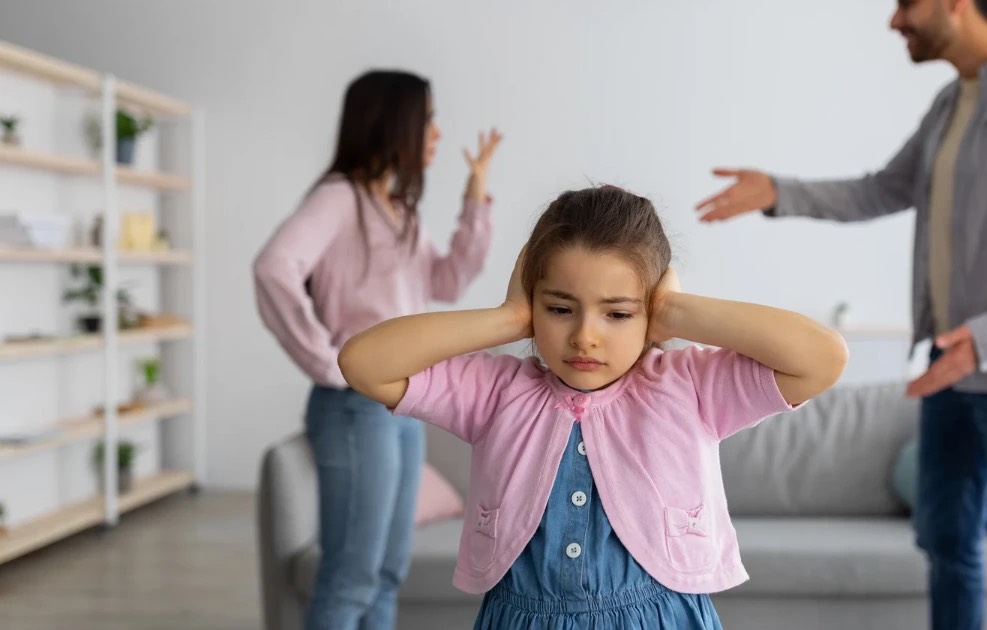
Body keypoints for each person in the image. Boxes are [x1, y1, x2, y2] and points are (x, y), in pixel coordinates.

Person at [694, 1, 987, 629]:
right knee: (947, 546)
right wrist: (782, 192)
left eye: (906, 4)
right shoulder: (953, 104)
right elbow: (881, 189)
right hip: (949, 373)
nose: (896, 21)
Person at [337, 185, 848, 629]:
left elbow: (822, 359)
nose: (585, 336)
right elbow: (364, 363)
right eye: (559, 309)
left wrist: (674, 311)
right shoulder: (495, 394)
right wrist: (507, 318)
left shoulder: (690, 387)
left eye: (619, 313)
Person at [253, 69, 502, 630]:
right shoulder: (339, 198)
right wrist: (326, 361)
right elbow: (274, 267)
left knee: (387, 573)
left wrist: (475, 197)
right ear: (395, 122)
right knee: (352, 576)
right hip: (354, 406)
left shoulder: (398, 210)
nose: (437, 133)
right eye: (429, 118)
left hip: (401, 403)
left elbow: (447, 282)